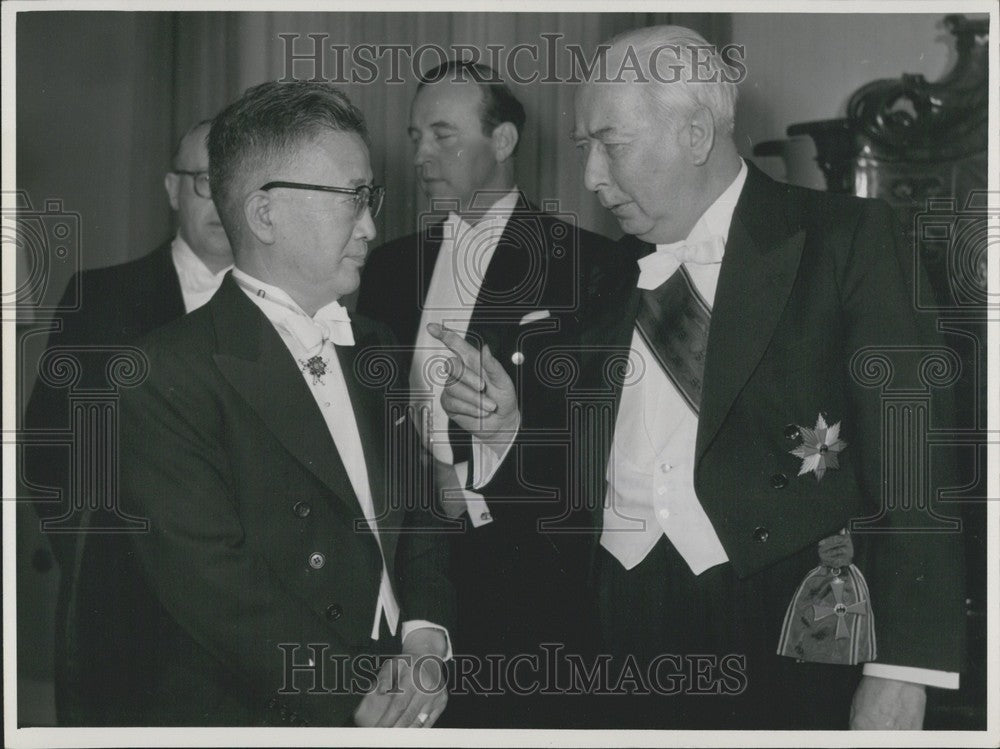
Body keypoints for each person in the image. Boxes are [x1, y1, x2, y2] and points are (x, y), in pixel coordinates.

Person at [433, 25, 965, 730]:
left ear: (693, 132)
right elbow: (579, 476)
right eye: (584, 149)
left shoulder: (847, 240)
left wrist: (902, 666)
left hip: (784, 630)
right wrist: (507, 429)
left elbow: (914, 459)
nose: (591, 177)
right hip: (608, 627)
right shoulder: (601, 277)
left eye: (609, 145)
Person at [117, 80, 453, 726]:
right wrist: (360, 695)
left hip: (402, 689)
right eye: (353, 199)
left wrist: (425, 641)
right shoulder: (165, 372)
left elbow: (420, 519)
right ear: (265, 214)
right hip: (271, 710)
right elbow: (218, 590)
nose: (372, 225)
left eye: (371, 196)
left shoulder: (375, 344)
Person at [357, 60, 615, 727]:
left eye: (442, 135)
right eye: (415, 136)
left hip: (528, 578)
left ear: (503, 142)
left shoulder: (589, 264)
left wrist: (509, 434)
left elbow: (601, 442)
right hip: (405, 568)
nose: (420, 154)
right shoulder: (385, 268)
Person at [21, 118, 233, 724]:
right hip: (125, 621)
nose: (219, 199)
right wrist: (99, 562)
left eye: (234, 184)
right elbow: (49, 448)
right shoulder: (102, 298)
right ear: (171, 188)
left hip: (248, 631)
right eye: (202, 181)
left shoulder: (292, 308)